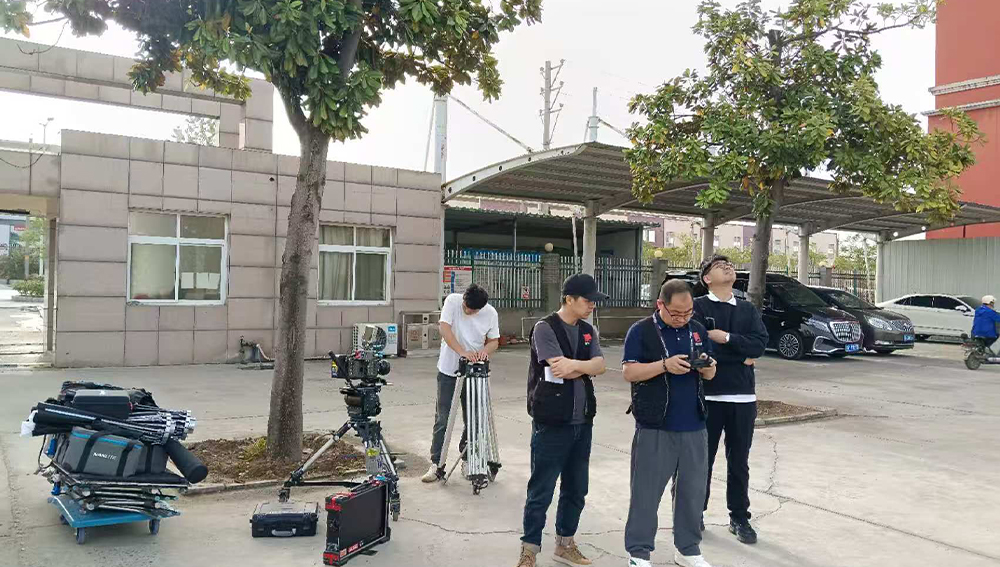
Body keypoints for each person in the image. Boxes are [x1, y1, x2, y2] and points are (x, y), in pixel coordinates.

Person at [514, 274, 608, 567]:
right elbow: (558, 368)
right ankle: (529, 550)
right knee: (541, 490)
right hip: (552, 422)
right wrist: (585, 367)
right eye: (587, 300)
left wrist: (578, 365)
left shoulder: (588, 330)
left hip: (583, 421)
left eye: (594, 301)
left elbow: (600, 366)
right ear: (569, 299)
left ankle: (565, 544)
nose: (592, 305)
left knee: (576, 489)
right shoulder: (545, 328)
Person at [623, 279, 717, 567]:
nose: (682, 318)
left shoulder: (697, 330)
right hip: (655, 424)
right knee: (646, 493)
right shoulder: (641, 331)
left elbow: (711, 374)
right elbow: (629, 372)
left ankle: (688, 549)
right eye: (676, 313)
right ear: (660, 305)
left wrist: (708, 367)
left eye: (688, 312)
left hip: (694, 424)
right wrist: (665, 365)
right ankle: (639, 553)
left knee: (692, 492)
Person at [692, 255, 768, 545]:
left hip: (743, 397)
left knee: (739, 462)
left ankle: (739, 518)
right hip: (708, 396)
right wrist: (741, 355)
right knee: (702, 460)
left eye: (729, 265)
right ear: (707, 279)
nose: (727, 267)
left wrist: (725, 338)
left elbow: (759, 345)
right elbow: (697, 350)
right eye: (718, 266)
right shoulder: (698, 307)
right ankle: (694, 513)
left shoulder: (747, 308)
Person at [422, 284, 500, 483]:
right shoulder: (453, 301)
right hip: (449, 370)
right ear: (463, 298)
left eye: (471, 310)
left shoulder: (490, 313)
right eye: (465, 306)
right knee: (443, 418)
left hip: (475, 372)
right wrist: (462, 352)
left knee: (474, 419)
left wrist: (484, 352)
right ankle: (437, 463)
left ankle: (468, 460)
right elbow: (444, 328)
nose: (467, 311)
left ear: (481, 308)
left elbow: (494, 341)